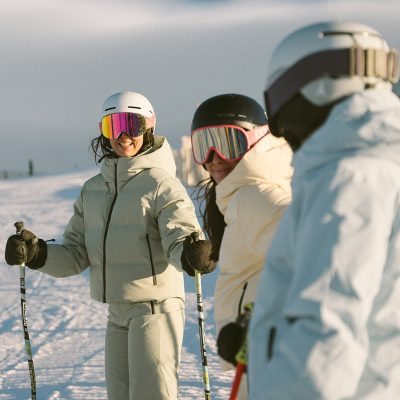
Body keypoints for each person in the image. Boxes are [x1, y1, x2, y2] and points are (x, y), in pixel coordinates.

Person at [4, 91, 216, 400]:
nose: (122, 135)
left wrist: (190, 253)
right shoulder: (93, 190)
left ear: (149, 126)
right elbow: (76, 254)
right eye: (112, 126)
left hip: (155, 309)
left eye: (131, 124)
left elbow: (179, 234)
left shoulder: (161, 183)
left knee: (151, 395)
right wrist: (37, 253)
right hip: (116, 312)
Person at [249, 21, 400, 400]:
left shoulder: (350, 178)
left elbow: (326, 330)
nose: (281, 129)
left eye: (279, 102)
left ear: (316, 87)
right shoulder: (383, 165)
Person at [190, 93, 293, 398]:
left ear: (256, 142)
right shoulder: (241, 195)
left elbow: (316, 252)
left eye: (227, 142)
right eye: (203, 145)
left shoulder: (254, 196)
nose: (213, 157)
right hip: (266, 356)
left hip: (271, 359)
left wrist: (266, 328)